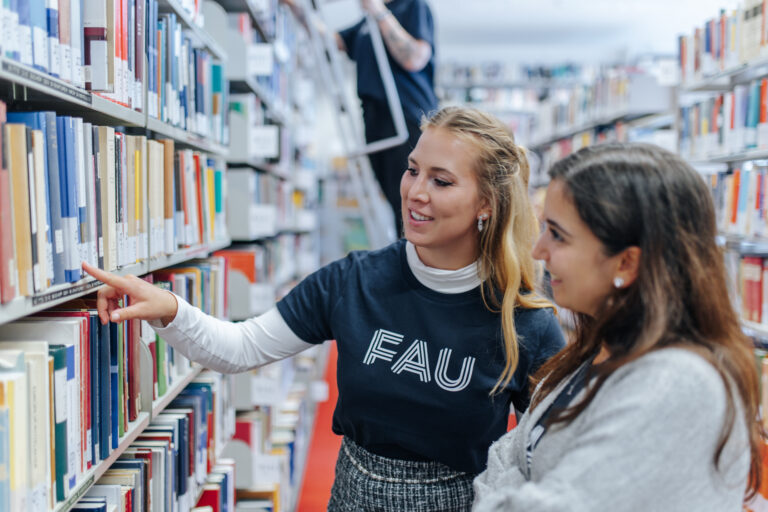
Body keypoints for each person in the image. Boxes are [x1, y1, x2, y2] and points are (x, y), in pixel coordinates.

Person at [83, 106, 565, 511]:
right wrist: (168, 307)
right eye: (413, 169)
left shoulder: (526, 323)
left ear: (486, 203)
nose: (415, 192)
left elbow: (546, 457)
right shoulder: (354, 280)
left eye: (441, 181)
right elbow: (242, 348)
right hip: (351, 496)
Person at [472, 143, 763, 511]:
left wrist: (519, 487)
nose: (538, 250)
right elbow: (506, 457)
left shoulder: (678, 384)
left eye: (558, 234)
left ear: (626, 263)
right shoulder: (597, 350)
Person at [284, 0, 438, 235]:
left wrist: (378, 10)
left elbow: (414, 58)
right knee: (395, 203)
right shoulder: (365, 24)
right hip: (375, 117)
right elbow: (331, 40)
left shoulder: (412, 6)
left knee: (410, 202)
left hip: (406, 116)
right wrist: (297, 7)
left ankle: (414, 263)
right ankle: (403, 261)